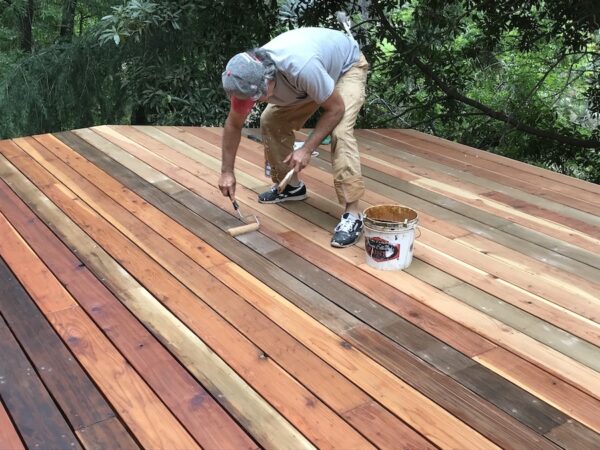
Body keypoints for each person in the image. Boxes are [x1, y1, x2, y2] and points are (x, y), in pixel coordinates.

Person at [218, 26, 368, 247]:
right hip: (311, 82)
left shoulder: (300, 67)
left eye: (257, 97)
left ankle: (353, 214)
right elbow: (233, 125)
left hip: (346, 67)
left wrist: (306, 148)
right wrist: (226, 172)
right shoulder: (245, 80)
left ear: (269, 78)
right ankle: (291, 187)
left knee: (340, 132)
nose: (254, 103)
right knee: (271, 120)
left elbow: (335, 109)